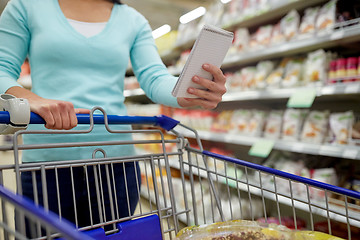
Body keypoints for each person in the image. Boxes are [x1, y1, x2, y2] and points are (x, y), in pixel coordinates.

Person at [0, 0, 227, 234]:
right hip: (47, 165)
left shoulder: (133, 20)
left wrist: (189, 91)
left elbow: (153, 76)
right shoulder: (27, 7)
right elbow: (2, 67)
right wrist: (29, 98)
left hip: (116, 165)